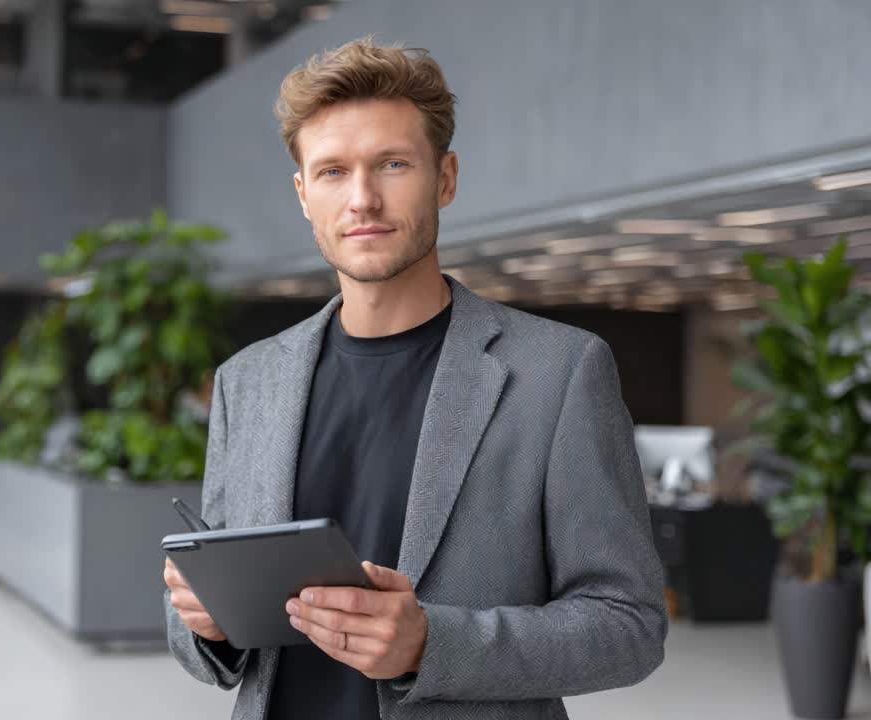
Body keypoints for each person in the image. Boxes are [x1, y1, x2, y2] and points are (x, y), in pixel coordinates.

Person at [162, 36, 667, 720]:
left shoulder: (560, 372)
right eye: (333, 172)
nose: (362, 198)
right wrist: (203, 622)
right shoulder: (247, 383)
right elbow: (209, 633)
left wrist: (433, 643)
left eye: (393, 164)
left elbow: (628, 627)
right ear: (303, 194)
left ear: (446, 177)